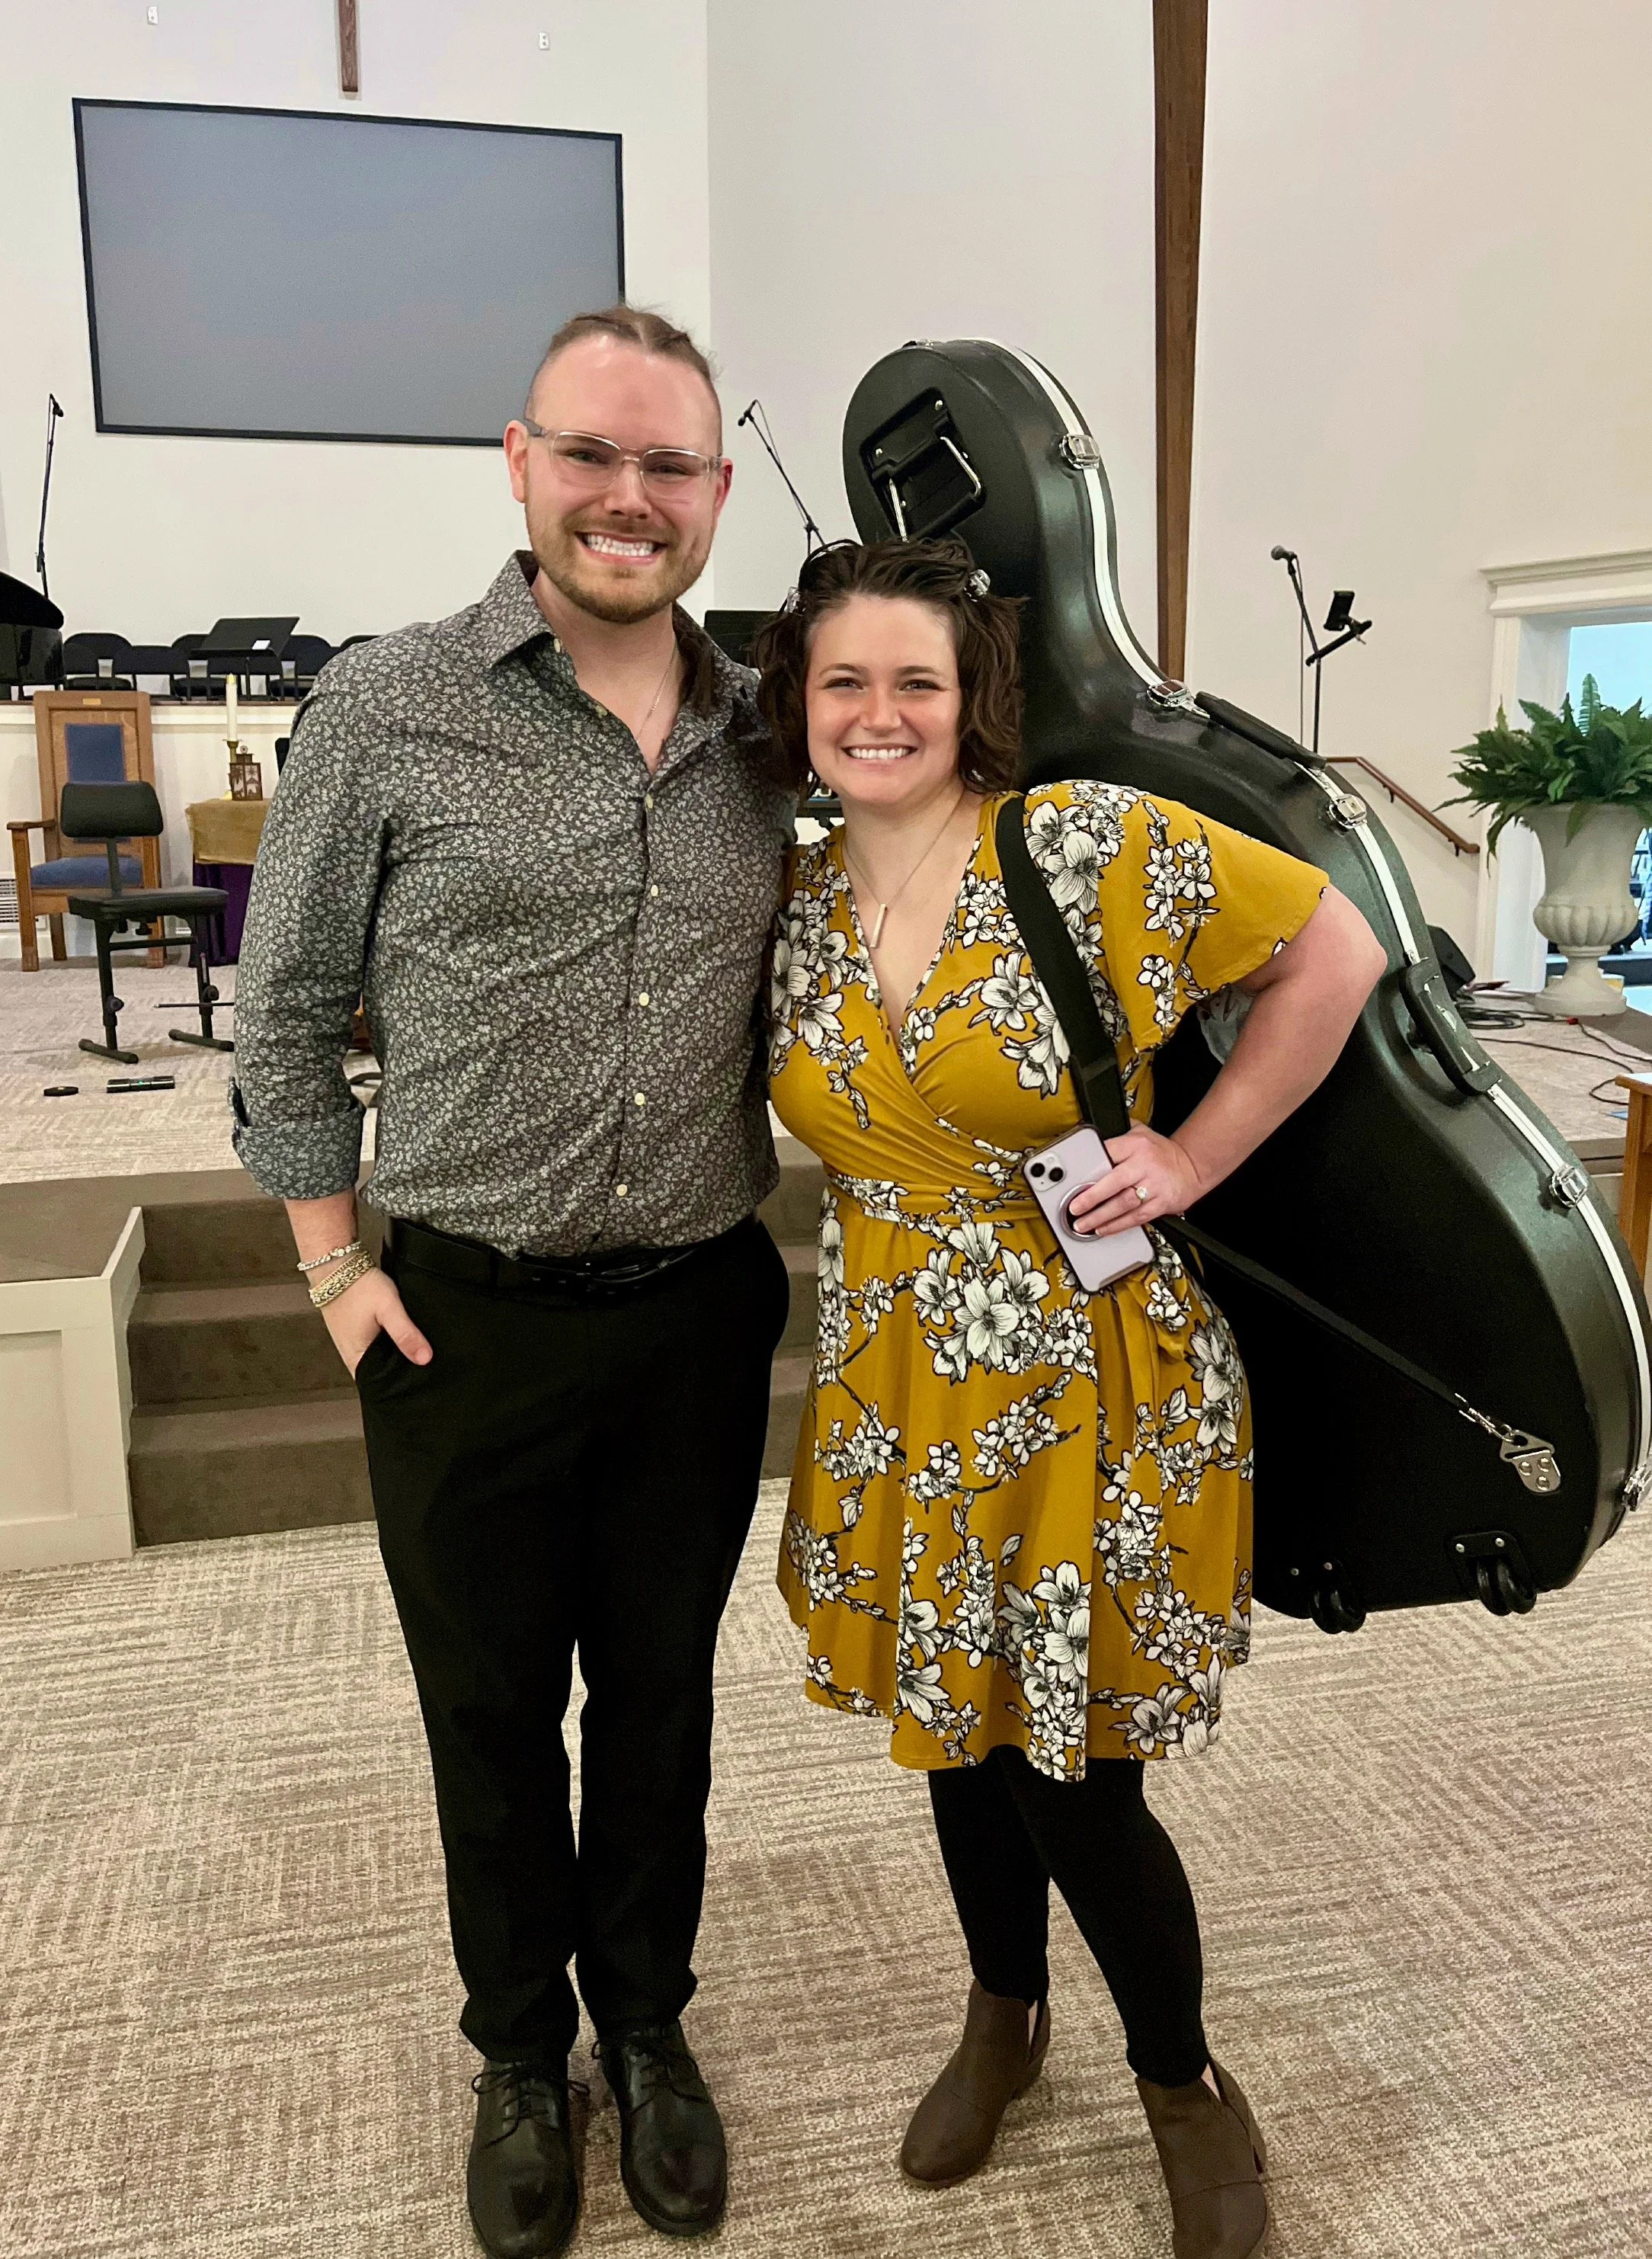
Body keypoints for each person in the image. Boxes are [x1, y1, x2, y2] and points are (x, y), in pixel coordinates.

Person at [230, 306, 794, 2259]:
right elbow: (285, 1017)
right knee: (486, 1707)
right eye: (593, 457)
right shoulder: (386, 704)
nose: (629, 499)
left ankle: (646, 2034)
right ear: (520, 462)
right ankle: (514, 2052)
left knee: (658, 1699)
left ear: (717, 494)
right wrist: (328, 1272)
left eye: (669, 468)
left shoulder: (772, 729)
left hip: (700, 1307)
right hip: (457, 1311)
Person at [757, 537, 1385, 2259]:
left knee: (1076, 1765)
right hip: (893, 1371)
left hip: (1082, 1364)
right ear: (798, 704)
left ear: (972, 704)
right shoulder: (793, 898)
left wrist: (1193, 1148)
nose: (879, 714)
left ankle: (1182, 2080)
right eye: (843, 683)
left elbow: (1334, 952)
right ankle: (1002, 2009)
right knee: (958, 1729)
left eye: (916, 682)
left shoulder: (1079, 845)